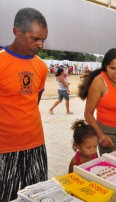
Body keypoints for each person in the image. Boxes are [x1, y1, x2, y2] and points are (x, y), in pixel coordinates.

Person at [0, 8, 48, 202]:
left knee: (37, 195)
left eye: (43, 39)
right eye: (35, 38)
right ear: (17, 32)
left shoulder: (42, 67)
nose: (41, 44)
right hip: (4, 149)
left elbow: (33, 103)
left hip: (35, 144)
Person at [78, 48, 116, 155]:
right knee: (115, 168)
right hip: (109, 134)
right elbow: (88, 114)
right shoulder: (99, 82)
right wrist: (101, 136)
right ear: (106, 66)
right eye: (112, 68)